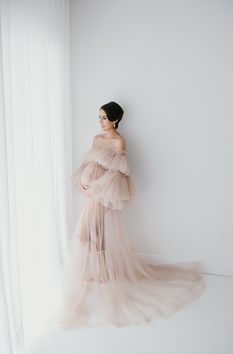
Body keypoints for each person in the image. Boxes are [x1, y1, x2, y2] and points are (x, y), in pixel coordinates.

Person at [58, 101, 206, 328]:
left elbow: (118, 173)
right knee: (95, 230)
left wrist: (97, 188)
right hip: (91, 192)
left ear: (115, 120)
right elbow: (88, 163)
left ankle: (98, 271)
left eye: (105, 118)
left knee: (88, 231)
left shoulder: (119, 141)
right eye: (99, 117)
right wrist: (84, 183)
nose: (101, 122)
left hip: (105, 193)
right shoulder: (96, 139)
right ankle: (100, 271)